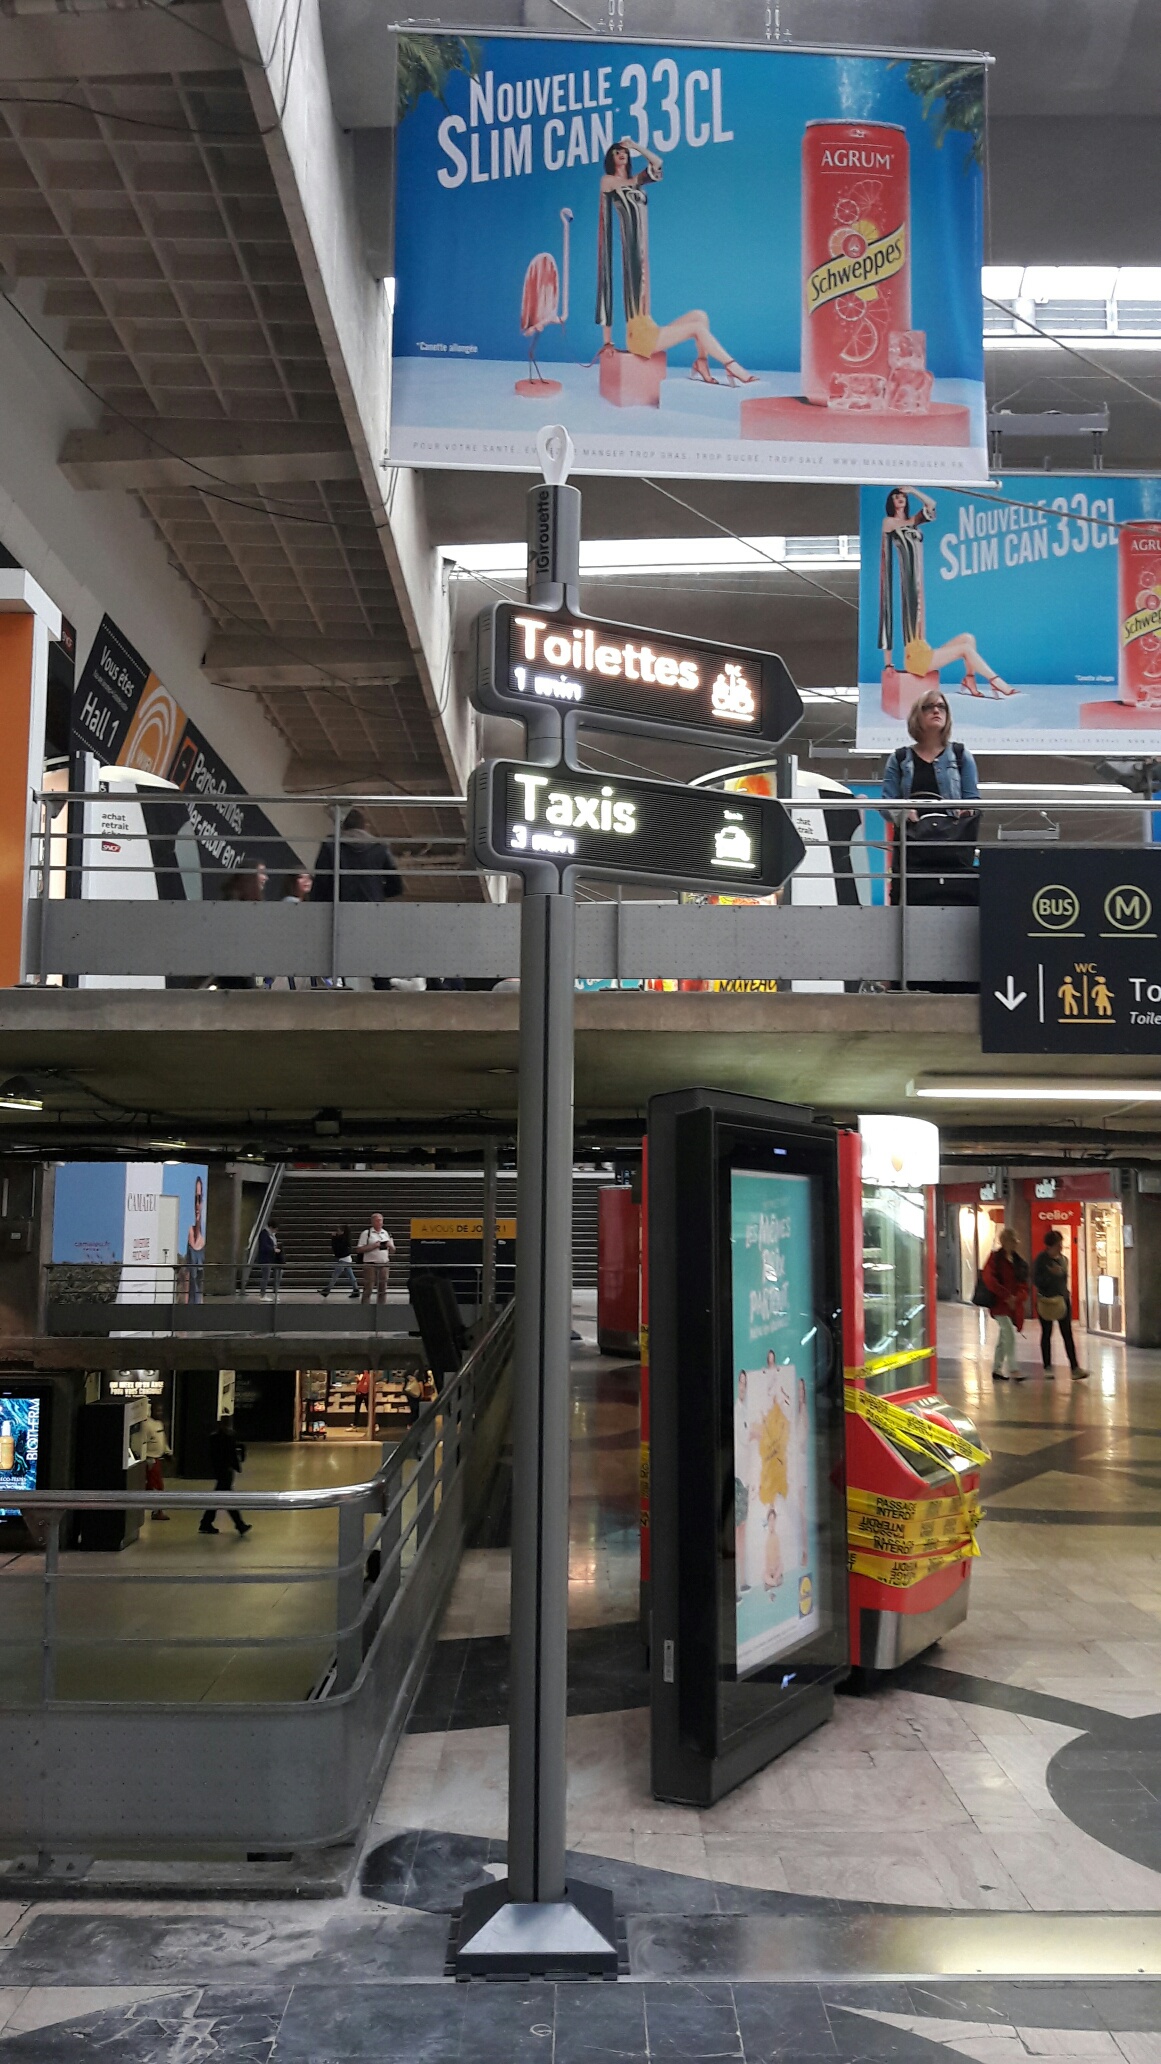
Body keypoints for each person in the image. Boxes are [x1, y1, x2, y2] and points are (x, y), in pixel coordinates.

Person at [596, 141, 755, 386]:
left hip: (648, 319)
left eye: (625, 153)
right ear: (610, 158)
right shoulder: (609, 181)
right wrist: (607, 340)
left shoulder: (636, 180)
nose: (622, 155)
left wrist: (637, 146)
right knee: (697, 329)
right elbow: (606, 267)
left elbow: (657, 164)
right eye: (617, 152)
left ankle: (701, 362)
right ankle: (732, 367)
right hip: (640, 340)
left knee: (699, 316)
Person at [879, 488, 1014, 696]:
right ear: (891, 502)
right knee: (963, 649)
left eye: (903, 497)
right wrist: (888, 664)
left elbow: (931, 505)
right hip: (915, 660)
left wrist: (913, 490)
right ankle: (996, 682)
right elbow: (886, 593)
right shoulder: (889, 522)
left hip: (922, 639)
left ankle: (969, 680)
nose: (901, 499)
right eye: (897, 496)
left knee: (968, 639)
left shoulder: (914, 520)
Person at [881, 692, 981, 904]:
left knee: (955, 900)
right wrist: (902, 812)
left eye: (941, 707)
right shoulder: (899, 759)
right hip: (913, 849)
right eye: (929, 706)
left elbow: (973, 801)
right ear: (917, 714)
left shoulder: (961, 755)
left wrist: (966, 812)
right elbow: (886, 804)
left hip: (951, 848)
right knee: (908, 901)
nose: (937, 711)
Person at [1034, 1228, 1088, 1378]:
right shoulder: (1041, 1260)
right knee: (1046, 1333)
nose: (1060, 1247)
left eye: (1061, 1244)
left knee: (1067, 1333)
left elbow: (1064, 1279)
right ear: (1049, 1246)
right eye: (1058, 1244)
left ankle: (1074, 1367)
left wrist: (1065, 1292)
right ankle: (1047, 1366)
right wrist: (1050, 1275)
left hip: (1062, 1300)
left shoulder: (1064, 1260)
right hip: (1046, 1301)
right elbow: (1036, 1281)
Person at [983, 1226, 1029, 1382]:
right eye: (1011, 1241)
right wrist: (1006, 1295)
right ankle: (1013, 1368)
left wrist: (1017, 1298)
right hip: (999, 1304)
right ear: (1003, 1241)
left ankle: (996, 1368)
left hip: (1012, 1305)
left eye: (1015, 1241)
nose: (1014, 1244)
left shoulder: (1018, 1262)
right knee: (1008, 1332)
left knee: (1004, 1336)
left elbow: (1024, 1285)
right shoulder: (995, 1259)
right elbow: (989, 1280)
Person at [200, 1414, 251, 1536]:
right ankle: (239, 1524)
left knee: (219, 1498)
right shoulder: (228, 1437)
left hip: (221, 1471)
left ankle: (206, 1522)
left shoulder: (215, 1438)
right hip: (226, 1472)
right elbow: (232, 1455)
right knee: (227, 1498)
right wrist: (237, 1467)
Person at [140, 1404, 172, 1521]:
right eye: (157, 1410)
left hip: (157, 1459)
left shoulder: (159, 1424)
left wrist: (167, 1452)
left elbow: (162, 1440)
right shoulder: (145, 1425)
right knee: (154, 1486)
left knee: (157, 1486)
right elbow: (142, 1442)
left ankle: (157, 1510)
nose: (160, 1412)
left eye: (161, 1410)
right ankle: (156, 1511)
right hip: (150, 1459)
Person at [357, 1214, 395, 1303]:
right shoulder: (366, 1233)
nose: (379, 1222)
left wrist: (390, 1245)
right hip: (370, 1264)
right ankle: (365, 1308)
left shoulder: (386, 1233)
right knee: (368, 1288)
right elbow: (359, 1249)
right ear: (372, 1222)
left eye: (381, 1220)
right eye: (377, 1220)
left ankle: (381, 1309)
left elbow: (393, 1250)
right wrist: (374, 1246)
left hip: (384, 1264)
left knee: (383, 1289)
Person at [321, 1224, 359, 1299]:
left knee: (335, 1275)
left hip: (344, 1259)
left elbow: (337, 1248)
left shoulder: (341, 1239)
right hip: (346, 1258)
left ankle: (327, 1290)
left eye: (338, 1230)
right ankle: (356, 1289)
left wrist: (334, 1238)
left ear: (342, 1232)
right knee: (351, 1276)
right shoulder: (344, 1239)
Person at [185, 1174, 205, 1306]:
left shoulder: (201, 1239)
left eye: (200, 1199)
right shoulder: (189, 1234)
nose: (197, 1205)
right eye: (195, 1199)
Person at [256, 1222, 283, 1299]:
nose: (276, 1231)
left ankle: (275, 1292)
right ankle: (262, 1294)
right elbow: (263, 1246)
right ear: (271, 1227)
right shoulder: (264, 1234)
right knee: (266, 1276)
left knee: (278, 1274)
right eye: (275, 1229)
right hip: (266, 1258)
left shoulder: (272, 1235)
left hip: (273, 1258)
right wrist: (273, 1249)